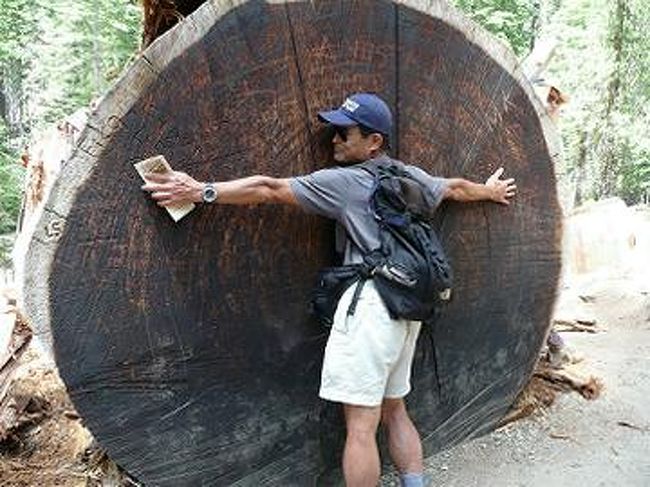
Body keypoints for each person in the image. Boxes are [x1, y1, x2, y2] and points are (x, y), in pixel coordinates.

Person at [142, 93, 516, 487]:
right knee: (395, 408)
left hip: (371, 308)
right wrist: (489, 192)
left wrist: (201, 190)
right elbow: (454, 187)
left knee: (359, 427)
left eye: (344, 132)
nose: (333, 139)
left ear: (374, 142)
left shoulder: (348, 183)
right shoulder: (411, 176)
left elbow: (270, 189)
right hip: (409, 306)